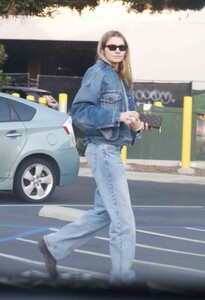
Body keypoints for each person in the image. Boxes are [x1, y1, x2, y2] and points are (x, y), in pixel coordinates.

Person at [38, 30, 147, 286]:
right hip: (104, 152)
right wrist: (117, 117)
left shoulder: (119, 77)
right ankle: (122, 281)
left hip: (112, 151)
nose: (118, 50)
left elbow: (124, 123)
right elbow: (80, 111)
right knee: (124, 222)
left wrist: (136, 128)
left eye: (122, 47)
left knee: (105, 214)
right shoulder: (98, 73)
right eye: (112, 46)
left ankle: (53, 246)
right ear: (102, 49)